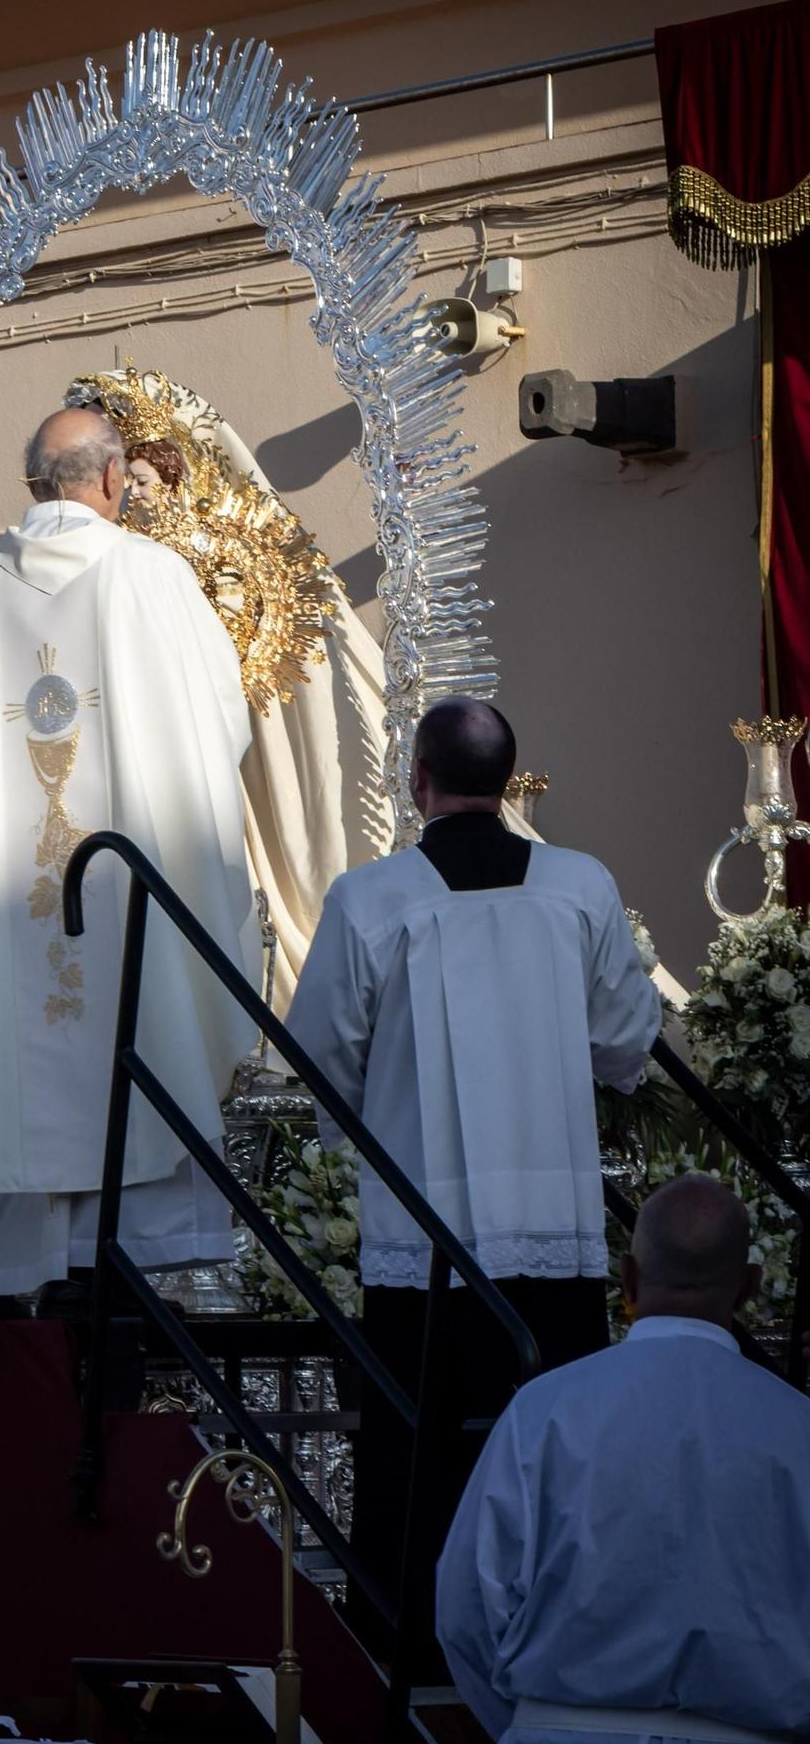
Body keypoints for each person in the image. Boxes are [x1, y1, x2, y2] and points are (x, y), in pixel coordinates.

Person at [286, 695, 661, 1637]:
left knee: (421, 1461)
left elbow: (318, 1057)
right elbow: (624, 1042)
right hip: (559, 1234)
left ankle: (410, 1644)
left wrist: (353, 1131)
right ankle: (573, 1631)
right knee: (557, 1448)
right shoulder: (578, 886)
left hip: (423, 1235)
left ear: (416, 779)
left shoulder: (369, 899)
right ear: (507, 783)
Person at [0, 406, 261, 1296]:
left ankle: (26, 1287)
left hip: (13, 900)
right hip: (125, 902)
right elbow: (215, 731)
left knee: (24, 1035)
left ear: (35, 484)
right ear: (114, 478)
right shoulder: (150, 574)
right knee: (141, 1018)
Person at [438, 1174, 810, 1744]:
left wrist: (540, 1723)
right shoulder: (797, 1426)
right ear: (748, 1286)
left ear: (628, 1277)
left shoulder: (544, 1411)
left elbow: (467, 1610)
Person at [65, 365, 396, 1012]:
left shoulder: (209, 553)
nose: (130, 497)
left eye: (140, 480)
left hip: (216, 742)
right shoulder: (114, 562)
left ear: (175, 470)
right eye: (120, 481)